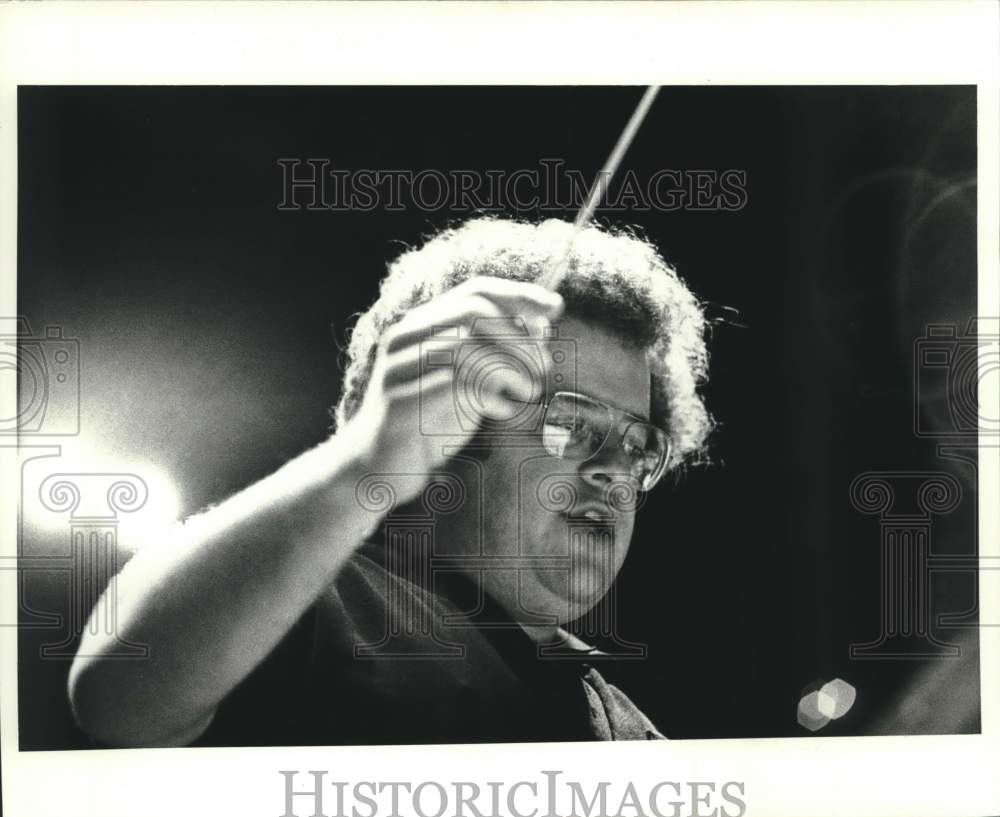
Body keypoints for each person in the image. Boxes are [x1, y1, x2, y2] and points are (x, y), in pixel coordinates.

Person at [67, 216, 713, 747]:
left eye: (638, 443)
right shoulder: (308, 603)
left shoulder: (639, 738)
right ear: (440, 431)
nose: (614, 470)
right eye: (572, 422)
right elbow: (117, 691)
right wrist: (365, 460)